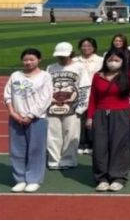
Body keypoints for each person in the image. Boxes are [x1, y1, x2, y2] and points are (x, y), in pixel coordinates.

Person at [86, 50, 130, 193]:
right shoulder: (98, 76)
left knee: (120, 145)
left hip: (121, 112)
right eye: (110, 60)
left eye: (117, 60)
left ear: (123, 61)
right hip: (101, 113)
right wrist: (90, 116)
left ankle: (118, 177)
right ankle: (102, 178)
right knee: (100, 146)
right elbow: (93, 97)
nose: (113, 63)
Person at [4, 49, 53, 194]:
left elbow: (45, 98)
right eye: (25, 60)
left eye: (32, 59)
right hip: (16, 118)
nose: (28, 62)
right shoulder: (15, 75)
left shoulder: (45, 76)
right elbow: (7, 95)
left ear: (39, 59)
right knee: (17, 150)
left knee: (36, 150)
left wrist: (31, 115)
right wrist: (12, 112)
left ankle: (33, 179)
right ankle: (20, 179)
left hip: (37, 119)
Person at [46, 42, 92, 170]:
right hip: (52, 107)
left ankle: (69, 160)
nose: (61, 58)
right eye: (59, 56)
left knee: (71, 134)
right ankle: (54, 160)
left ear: (71, 54)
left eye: (64, 55)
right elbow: (46, 88)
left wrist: (81, 108)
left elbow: (85, 88)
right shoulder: (50, 68)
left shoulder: (79, 67)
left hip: (73, 107)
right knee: (52, 134)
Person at [74, 38, 103, 155]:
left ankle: (91, 143)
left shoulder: (100, 61)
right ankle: (81, 143)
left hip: (95, 93)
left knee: (93, 119)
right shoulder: (75, 61)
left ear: (94, 47)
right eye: (84, 46)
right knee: (80, 118)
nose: (86, 48)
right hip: (80, 94)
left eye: (89, 46)